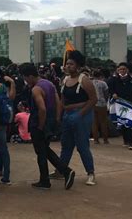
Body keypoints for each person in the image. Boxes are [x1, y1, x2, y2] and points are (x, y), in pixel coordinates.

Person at [19, 63, 75, 190]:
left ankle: (55, 175)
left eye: (25, 78)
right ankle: (60, 173)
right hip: (50, 121)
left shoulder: (36, 89)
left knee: (41, 152)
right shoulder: (49, 84)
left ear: (30, 76)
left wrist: (40, 125)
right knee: (45, 150)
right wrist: (56, 119)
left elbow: (42, 109)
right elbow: (57, 102)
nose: (26, 81)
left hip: (39, 122)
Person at [55, 50, 97, 186]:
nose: (67, 66)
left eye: (71, 64)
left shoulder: (84, 80)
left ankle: (91, 173)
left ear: (78, 66)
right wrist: (58, 116)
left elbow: (93, 99)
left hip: (81, 115)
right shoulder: (65, 80)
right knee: (66, 145)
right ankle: (62, 170)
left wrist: (81, 113)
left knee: (82, 145)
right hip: (68, 114)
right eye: (67, 64)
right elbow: (62, 100)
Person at [107, 62, 132, 149]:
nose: (122, 71)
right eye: (120, 69)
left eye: (124, 69)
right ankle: (126, 140)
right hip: (119, 105)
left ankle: (131, 142)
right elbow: (110, 88)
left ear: (127, 70)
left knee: (130, 122)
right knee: (122, 122)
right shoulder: (113, 80)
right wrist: (113, 93)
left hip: (130, 105)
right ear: (118, 70)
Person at [91, 70, 110, 144]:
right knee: (103, 122)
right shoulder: (103, 83)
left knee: (94, 122)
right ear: (100, 76)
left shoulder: (90, 83)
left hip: (92, 104)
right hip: (102, 103)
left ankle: (96, 139)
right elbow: (106, 93)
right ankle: (105, 139)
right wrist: (105, 100)